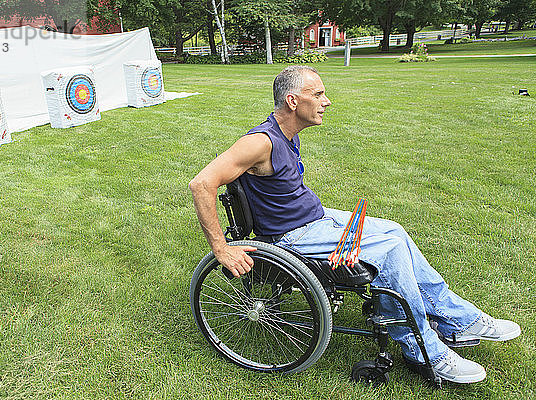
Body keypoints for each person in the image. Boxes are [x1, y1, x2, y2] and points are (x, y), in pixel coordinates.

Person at [188, 65, 521, 384]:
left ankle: (457, 320)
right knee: (389, 252)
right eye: (317, 94)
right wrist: (220, 247)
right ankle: (423, 351)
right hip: (294, 236)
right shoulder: (260, 142)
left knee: (394, 230)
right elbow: (201, 183)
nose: (326, 101)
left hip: (315, 218)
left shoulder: (288, 134)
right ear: (293, 101)